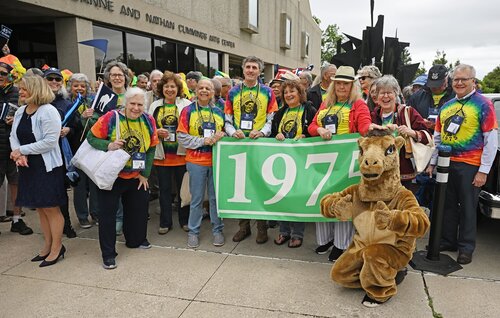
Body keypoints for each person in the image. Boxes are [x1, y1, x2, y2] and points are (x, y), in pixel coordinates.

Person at [427, 64, 498, 265]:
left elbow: (491, 140)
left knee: (468, 207)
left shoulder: (484, 105)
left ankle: (466, 247)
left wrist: (483, 171)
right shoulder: (447, 106)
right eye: (456, 80)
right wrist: (433, 162)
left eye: (464, 80)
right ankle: (448, 241)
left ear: (473, 81)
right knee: (447, 205)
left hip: (470, 164)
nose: (459, 83)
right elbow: (438, 137)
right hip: (446, 163)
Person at [87, 87, 159, 269]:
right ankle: (108, 254)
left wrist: (145, 174)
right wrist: (109, 144)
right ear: (125, 103)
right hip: (112, 176)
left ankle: (136, 240)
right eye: (132, 103)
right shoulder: (111, 117)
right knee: (108, 216)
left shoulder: (148, 120)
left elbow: (151, 148)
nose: (136, 108)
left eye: (140, 104)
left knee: (138, 210)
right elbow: (91, 138)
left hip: (135, 175)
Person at [308, 65, 371, 262]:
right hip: (324, 160)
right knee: (324, 197)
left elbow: (364, 127)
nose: (341, 87)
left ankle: (341, 243)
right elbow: (312, 125)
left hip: (345, 162)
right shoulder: (325, 104)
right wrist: (318, 130)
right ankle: (325, 239)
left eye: (345, 83)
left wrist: (376, 128)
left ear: (352, 86)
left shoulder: (358, 105)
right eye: (338, 84)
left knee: (343, 200)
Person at [10, 75, 66, 267]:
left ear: (36, 89)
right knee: (41, 208)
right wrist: (18, 154)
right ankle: (47, 245)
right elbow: (13, 136)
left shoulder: (48, 111)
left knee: (51, 207)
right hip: (27, 166)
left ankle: (57, 247)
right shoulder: (20, 111)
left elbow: (50, 142)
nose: (21, 92)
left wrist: (22, 150)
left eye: (24, 88)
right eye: (20, 88)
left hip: (46, 167)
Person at [225, 55, 278, 244]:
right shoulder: (232, 92)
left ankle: (262, 227)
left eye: (254, 67)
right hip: (239, 145)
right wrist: (233, 132)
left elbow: (272, 119)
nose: (250, 70)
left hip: (259, 145)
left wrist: (262, 132)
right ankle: (243, 226)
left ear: (260, 71)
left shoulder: (267, 92)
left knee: (259, 185)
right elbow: (227, 120)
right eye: (248, 67)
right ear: (243, 69)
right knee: (240, 186)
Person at [177, 78, 225, 248]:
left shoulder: (219, 112)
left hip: (216, 162)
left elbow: (225, 133)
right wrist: (205, 141)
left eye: (208, 88)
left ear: (213, 92)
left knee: (215, 198)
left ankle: (217, 230)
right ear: (196, 91)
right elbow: (181, 137)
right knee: (196, 199)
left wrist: (222, 136)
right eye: (201, 88)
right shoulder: (187, 110)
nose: (204, 90)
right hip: (196, 162)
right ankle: (193, 232)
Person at [270, 79, 316, 248]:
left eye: (292, 91)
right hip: (283, 161)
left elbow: (315, 130)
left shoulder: (310, 110)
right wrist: (277, 136)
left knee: (298, 197)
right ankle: (283, 231)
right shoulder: (280, 113)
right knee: (282, 196)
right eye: (286, 92)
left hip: (302, 161)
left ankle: (297, 234)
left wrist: (306, 137)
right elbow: (273, 134)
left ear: (300, 93)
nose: (288, 95)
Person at [369, 75, 431, 190]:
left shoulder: (408, 112)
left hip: (403, 173)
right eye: (382, 93)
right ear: (376, 96)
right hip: (379, 172)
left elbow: (428, 137)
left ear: (396, 93)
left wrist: (411, 132)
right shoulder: (373, 115)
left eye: (389, 92)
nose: (386, 96)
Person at [407, 65, 454, 209]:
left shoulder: (455, 96)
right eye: (432, 85)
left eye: (438, 85)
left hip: (447, 150)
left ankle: (438, 222)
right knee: (423, 186)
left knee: (443, 192)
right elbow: (407, 118)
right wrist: (422, 124)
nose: (435, 88)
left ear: (446, 80)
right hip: (423, 149)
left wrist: (439, 126)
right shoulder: (417, 97)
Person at [150, 71, 191, 234]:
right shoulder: (154, 106)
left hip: (181, 155)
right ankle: (165, 222)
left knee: (184, 192)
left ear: (178, 88)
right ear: (161, 88)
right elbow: (148, 127)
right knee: (164, 191)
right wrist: (156, 132)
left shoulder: (186, 104)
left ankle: (184, 220)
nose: (169, 89)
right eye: (166, 86)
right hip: (162, 156)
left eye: (173, 86)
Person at [43, 67, 78, 238]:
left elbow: (78, 127)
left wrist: (68, 130)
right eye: (50, 79)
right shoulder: (39, 102)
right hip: (42, 155)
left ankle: (67, 225)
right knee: (45, 192)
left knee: (61, 190)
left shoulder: (68, 104)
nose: (55, 82)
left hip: (62, 154)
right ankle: (50, 227)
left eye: (58, 79)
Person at [0, 61, 33, 234]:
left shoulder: (17, 92)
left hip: (15, 146)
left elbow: (29, 113)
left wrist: (17, 120)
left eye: (3, 73)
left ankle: (17, 220)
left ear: (10, 76)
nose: (0, 76)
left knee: (16, 183)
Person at [66, 73, 99, 229]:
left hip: (93, 147)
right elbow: (70, 125)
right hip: (76, 147)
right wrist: (81, 119)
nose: (79, 88)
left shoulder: (93, 102)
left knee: (94, 182)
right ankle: (82, 216)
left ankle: (95, 212)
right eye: (76, 85)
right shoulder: (67, 104)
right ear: (70, 87)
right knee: (79, 185)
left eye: (83, 85)